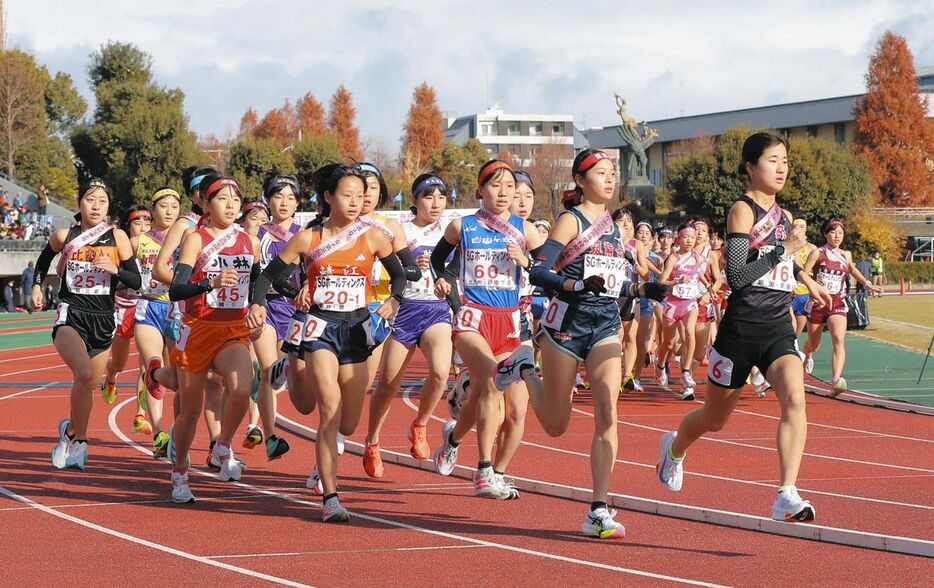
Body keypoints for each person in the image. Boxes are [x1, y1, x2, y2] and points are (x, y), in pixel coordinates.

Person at [656, 132, 832, 523]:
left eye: (785, 159)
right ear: (751, 167)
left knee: (795, 400)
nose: (782, 167)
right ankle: (674, 448)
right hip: (740, 330)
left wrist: (808, 276)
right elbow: (737, 274)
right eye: (772, 160)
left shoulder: (783, 217)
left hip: (777, 327)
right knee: (714, 420)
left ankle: (786, 492)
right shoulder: (743, 210)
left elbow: (785, 262)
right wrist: (781, 252)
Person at [495, 149, 667, 538]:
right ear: (579, 179)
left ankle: (598, 509)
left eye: (612, 173)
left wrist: (642, 287)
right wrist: (574, 285)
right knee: (556, 426)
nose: (610, 180)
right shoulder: (570, 222)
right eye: (601, 173)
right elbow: (538, 271)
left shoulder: (614, 228)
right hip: (566, 327)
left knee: (608, 409)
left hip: (605, 324)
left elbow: (613, 280)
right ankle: (523, 366)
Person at [248, 163, 407, 522]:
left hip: (356, 330)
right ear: (328, 198)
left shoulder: (374, 236)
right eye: (346, 195)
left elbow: (400, 276)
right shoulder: (310, 237)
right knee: (328, 411)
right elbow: (268, 274)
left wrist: (394, 299)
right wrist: (258, 303)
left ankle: (288, 366)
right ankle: (331, 497)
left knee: (348, 423)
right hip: (319, 328)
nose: (355, 202)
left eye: (360, 196)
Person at [429, 159, 545, 500]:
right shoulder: (462, 226)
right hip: (472, 319)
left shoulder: (527, 231)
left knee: (517, 408)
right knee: (493, 380)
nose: (504, 193)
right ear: (481, 190)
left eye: (510, 186)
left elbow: (547, 271)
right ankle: (482, 471)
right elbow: (441, 261)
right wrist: (442, 279)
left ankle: (485, 462)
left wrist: (527, 263)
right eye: (496, 185)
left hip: (512, 322)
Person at [31, 177, 141, 470]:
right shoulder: (64, 235)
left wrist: (115, 269)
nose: (96, 205)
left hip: (104, 320)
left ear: (108, 206)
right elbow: (42, 262)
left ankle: (69, 434)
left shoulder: (117, 237)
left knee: (89, 384)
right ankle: (81, 442)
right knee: (82, 373)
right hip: (71, 314)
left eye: (102, 201)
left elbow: (136, 281)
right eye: (90, 199)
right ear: (80, 202)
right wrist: (37, 286)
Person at [166, 175, 260, 503]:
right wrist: (210, 283)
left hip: (233, 328)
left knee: (242, 387)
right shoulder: (196, 238)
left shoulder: (250, 241)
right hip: (198, 327)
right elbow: (175, 289)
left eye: (236, 199)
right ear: (206, 204)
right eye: (223, 199)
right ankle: (179, 471)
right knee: (189, 411)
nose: (232, 205)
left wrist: (258, 306)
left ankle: (223, 446)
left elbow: (259, 281)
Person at [364, 173, 451, 478]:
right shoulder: (400, 230)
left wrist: (447, 278)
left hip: (437, 311)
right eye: (429, 196)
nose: (436, 203)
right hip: (404, 310)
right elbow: (389, 267)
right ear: (414, 200)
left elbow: (458, 268)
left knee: (440, 372)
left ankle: (420, 425)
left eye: (441, 196)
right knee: (388, 384)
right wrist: (411, 267)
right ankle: (373, 440)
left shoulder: (451, 230)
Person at [246, 173, 303, 461]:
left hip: (294, 310)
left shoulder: (306, 234)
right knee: (270, 371)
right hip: (264, 307)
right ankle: (270, 436)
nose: (284, 202)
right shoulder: (257, 234)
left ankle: (260, 390)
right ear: (268, 200)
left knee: (282, 372)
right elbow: (253, 275)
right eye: (279, 196)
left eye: (291, 198)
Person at [801, 218, 882, 395]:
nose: (837, 236)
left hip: (837, 302)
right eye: (833, 232)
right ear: (825, 234)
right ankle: (806, 354)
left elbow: (852, 270)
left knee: (838, 339)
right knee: (813, 344)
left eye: (840, 233)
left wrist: (868, 283)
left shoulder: (846, 255)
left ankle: (836, 380)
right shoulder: (817, 253)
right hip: (817, 303)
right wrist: (807, 289)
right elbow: (803, 273)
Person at [133, 188, 181, 457]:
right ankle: (160, 433)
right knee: (154, 363)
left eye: (174, 206)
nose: (169, 210)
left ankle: (178, 427)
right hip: (149, 305)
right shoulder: (139, 241)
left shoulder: (187, 238)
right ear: (152, 211)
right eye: (163, 206)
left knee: (179, 375)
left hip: (177, 309)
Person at [100, 205, 151, 439]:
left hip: (146, 308)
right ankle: (110, 378)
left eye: (147, 223)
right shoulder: (120, 247)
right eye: (138, 224)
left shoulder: (157, 246)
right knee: (119, 364)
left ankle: (140, 416)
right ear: (128, 227)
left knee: (148, 365)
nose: (143, 228)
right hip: (122, 308)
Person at [655, 222, 709, 400]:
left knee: (689, 334)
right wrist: (677, 281)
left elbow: (698, 274)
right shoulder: (673, 258)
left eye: (692, 238)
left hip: (690, 303)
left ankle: (686, 372)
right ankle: (660, 365)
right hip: (672, 304)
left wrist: (709, 287)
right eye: (686, 237)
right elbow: (662, 282)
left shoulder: (698, 258)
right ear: (679, 239)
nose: (689, 240)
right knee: (669, 343)